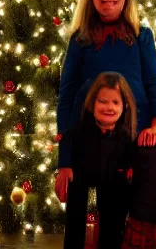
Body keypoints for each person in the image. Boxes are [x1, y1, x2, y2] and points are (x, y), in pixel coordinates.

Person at [55, 0, 156, 202]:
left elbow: (154, 83)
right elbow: (66, 96)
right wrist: (65, 159)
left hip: (134, 139)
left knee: (123, 216)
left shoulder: (141, 36)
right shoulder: (80, 40)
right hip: (91, 142)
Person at [60, 72, 136, 249]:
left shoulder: (126, 137)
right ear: (92, 103)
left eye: (115, 102)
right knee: (75, 217)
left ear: (124, 106)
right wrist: (67, 166)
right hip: (82, 176)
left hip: (113, 182)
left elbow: (130, 160)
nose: (109, 107)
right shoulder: (79, 132)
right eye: (102, 101)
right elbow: (69, 144)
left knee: (113, 220)